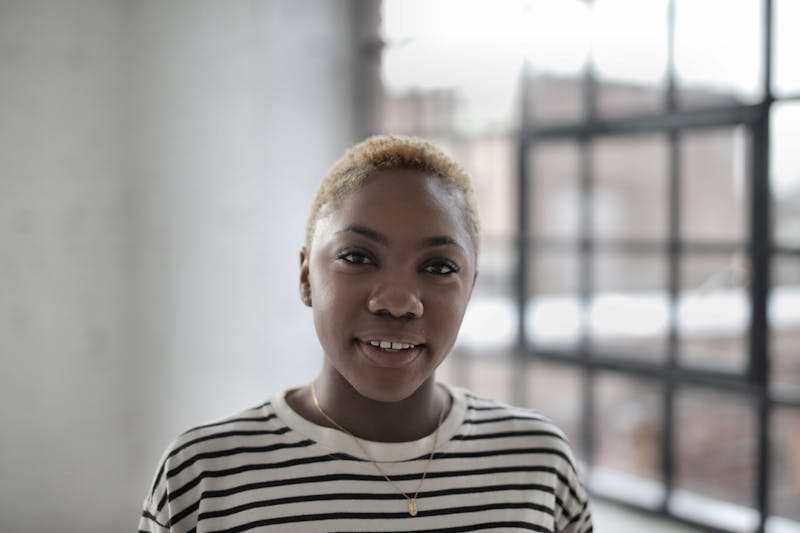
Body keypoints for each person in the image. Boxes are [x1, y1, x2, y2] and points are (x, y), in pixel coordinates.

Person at [138, 135, 593, 532]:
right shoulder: (206, 476)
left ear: (470, 288)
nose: (398, 301)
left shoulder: (537, 460)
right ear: (306, 277)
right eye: (357, 257)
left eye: (438, 267)